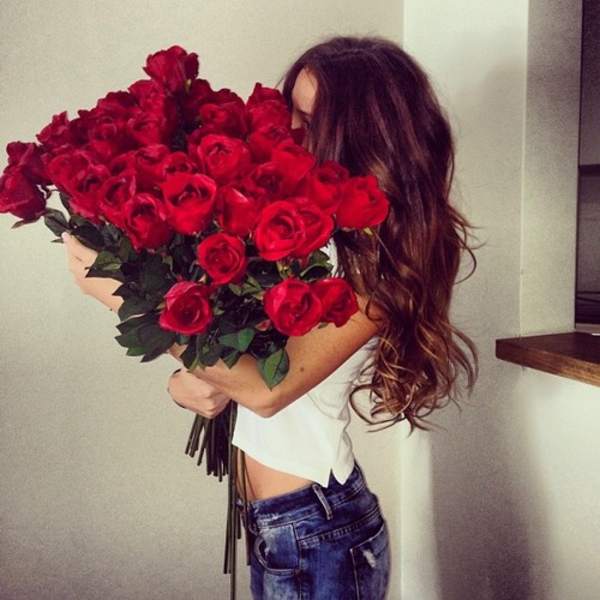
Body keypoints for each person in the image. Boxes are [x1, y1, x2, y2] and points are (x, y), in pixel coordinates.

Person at [63, 34, 480, 600]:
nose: (290, 133)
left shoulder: (379, 266)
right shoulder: (306, 233)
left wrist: (120, 295)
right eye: (292, 115)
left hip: (316, 532)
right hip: (283, 526)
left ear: (361, 138)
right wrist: (193, 382)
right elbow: (247, 358)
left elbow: (265, 391)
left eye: (312, 123)